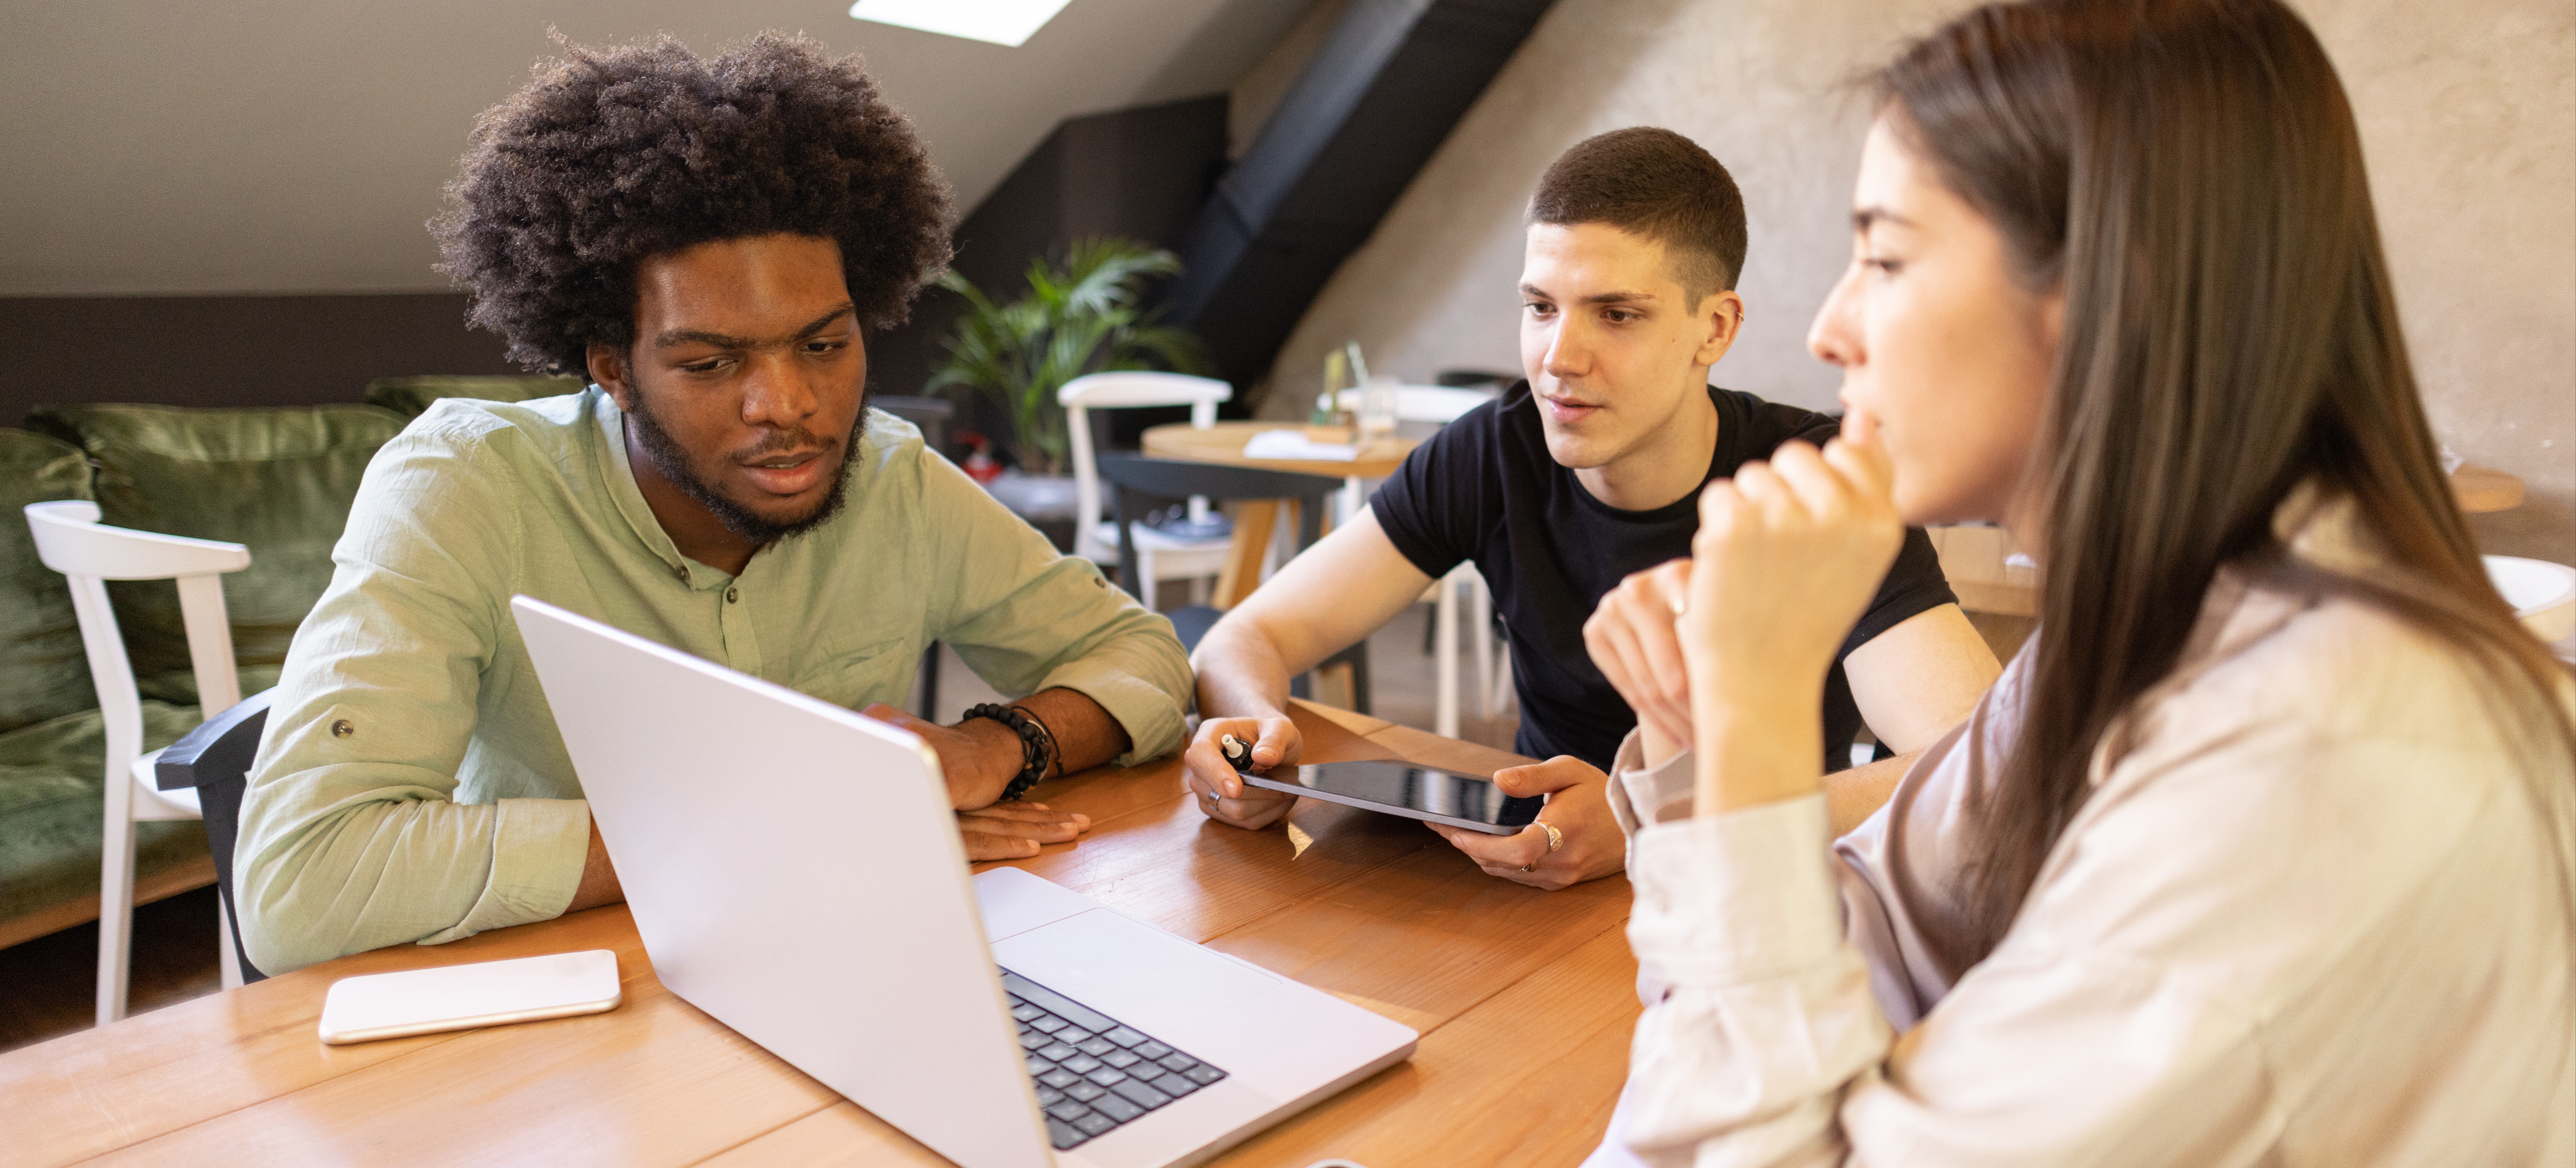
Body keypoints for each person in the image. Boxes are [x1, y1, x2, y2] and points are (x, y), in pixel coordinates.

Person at [1580, 0, 2576, 1162]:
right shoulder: (2154, 622)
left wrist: (1754, 730)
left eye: (1887, 258)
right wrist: (1711, 739)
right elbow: (1888, 934)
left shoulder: (2323, 758)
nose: (1828, 328)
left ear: (2117, 287)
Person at [235, 35, 1192, 974]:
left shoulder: (895, 481)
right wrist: (778, 832)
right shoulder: (464, 490)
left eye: (823, 346)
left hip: (850, 973)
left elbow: (1146, 654)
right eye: (710, 363)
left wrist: (999, 745)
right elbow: (300, 884)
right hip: (570, 1019)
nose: (790, 407)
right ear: (613, 369)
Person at [1182, 128, 2000, 888]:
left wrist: (1659, 824)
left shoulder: (1811, 483)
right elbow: (1245, 636)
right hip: (1520, 877)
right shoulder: (1491, 452)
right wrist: (1253, 741)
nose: (1557, 360)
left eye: (1615, 315)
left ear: (1712, 329)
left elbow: (1981, 762)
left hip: (1749, 895)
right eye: (1540, 307)